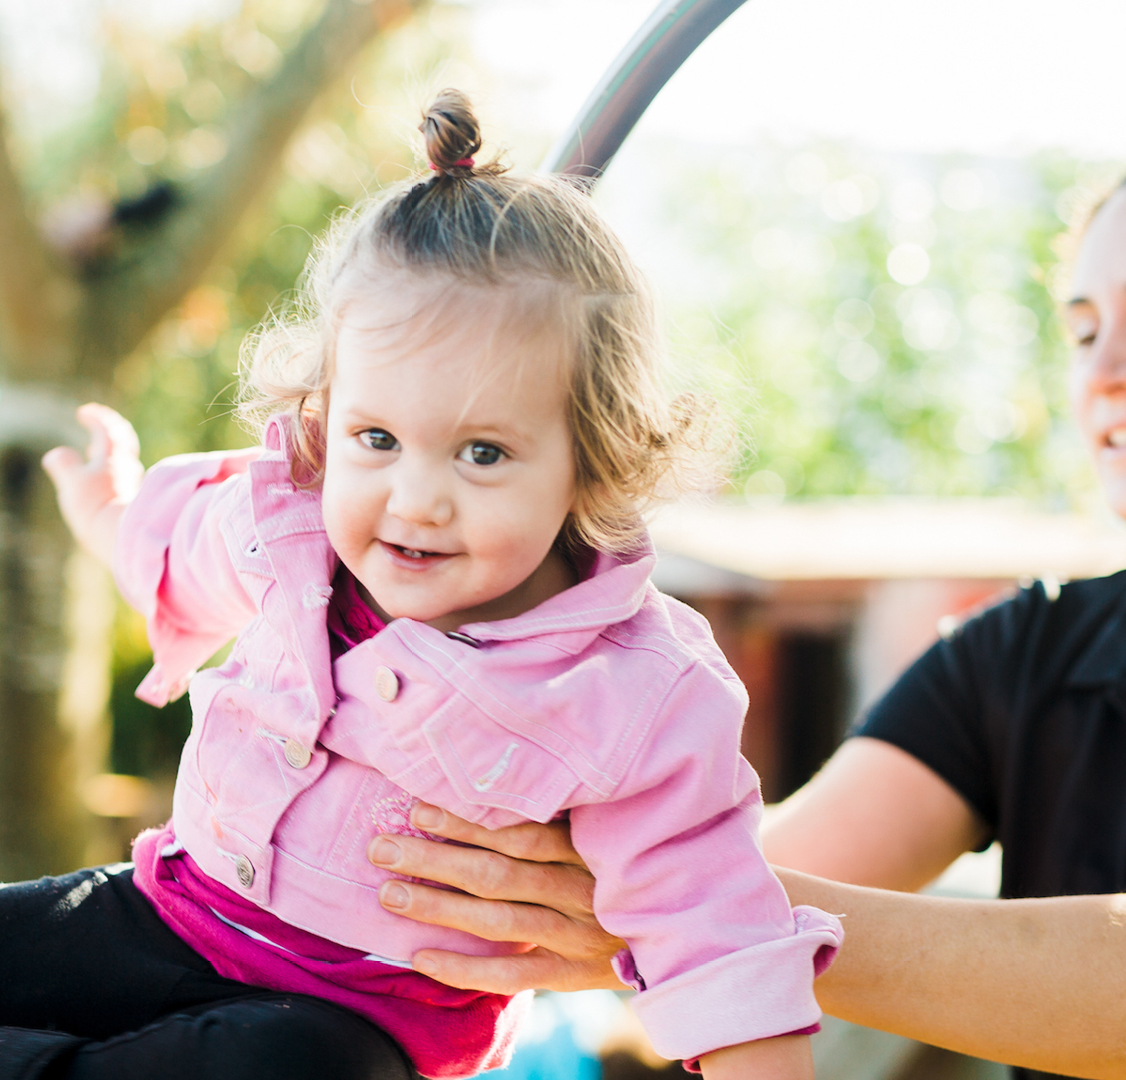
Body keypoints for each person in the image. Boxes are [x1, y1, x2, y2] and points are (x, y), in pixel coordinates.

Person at [0, 89, 835, 1080]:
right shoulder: (287, 528)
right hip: (167, 912)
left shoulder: (632, 695)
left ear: (592, 454)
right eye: (376, 439)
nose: (414, 498)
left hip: (347, 1029)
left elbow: (718, 934)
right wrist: (105, 509)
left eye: (482, 454)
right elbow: (170, 546)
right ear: (327, 419)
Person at [364, 177, 1126, 1080]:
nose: (1104, 370)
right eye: (1085, 332)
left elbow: (720, 898)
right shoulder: (1021, 657)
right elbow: (749, 863)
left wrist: (699, 920)